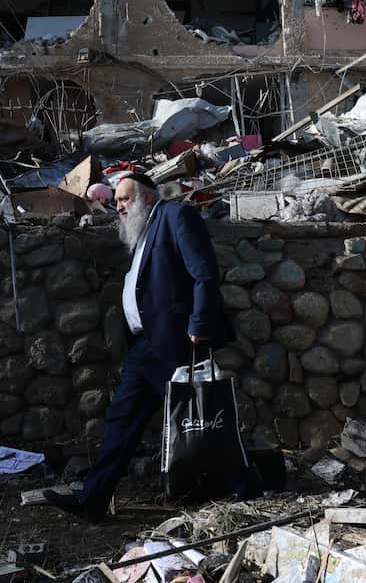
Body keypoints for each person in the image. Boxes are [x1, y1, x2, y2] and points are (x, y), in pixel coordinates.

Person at [42, 172, 258, 522]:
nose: (120, 207)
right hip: (145, 346)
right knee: (122, 420)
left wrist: (199, 324)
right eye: (116, 202)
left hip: (176, 342)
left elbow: (203, 272)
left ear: (145, 195)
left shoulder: (175, 216)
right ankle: (92, 501)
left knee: (199, 419)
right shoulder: (142, 230)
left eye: (125, 199)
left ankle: (248, 488)